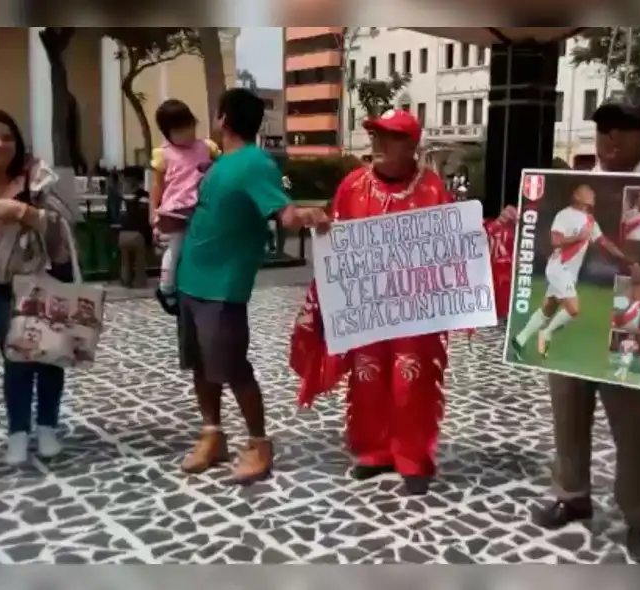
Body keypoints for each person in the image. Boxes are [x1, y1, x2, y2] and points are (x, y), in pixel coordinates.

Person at [496, 100, 640, 562]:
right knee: (567, 414)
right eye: (605, 129)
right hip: (577, 318)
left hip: (633, 319)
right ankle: (571, 494)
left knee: (635, 427)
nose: (612, 139)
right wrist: (520, 223)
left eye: (625, 130)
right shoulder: (570, 185)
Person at [289, 109, 468, 496]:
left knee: (412, 382)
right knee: (367, 378)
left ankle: (413, 457)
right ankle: (373, 452)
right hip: (366, 308)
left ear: (412, 146)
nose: (379, 145)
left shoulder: (433, 189)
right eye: (375, 136)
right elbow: (336, 247)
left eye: (391, 137)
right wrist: (324, 229)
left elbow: (455, 248)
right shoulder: (352, 187)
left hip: (415, 311)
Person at [175, 88, 329, 485]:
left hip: (223, 286)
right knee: (201, 366)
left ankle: (259, 443)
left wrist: (311, 215)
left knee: (233, 368)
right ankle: (213, 435)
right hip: (192, 279)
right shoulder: (221, 163)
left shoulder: (253, 163)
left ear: (224, 117)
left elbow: (285, 212)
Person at [0, 109, 74, 466]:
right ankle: (17, 431)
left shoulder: (36, 175)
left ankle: (46, 427)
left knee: (48, 356)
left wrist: (21, 211)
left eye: (8, 136)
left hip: (42, 278)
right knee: (16, 356)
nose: (0, 144)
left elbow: (63, 223)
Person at [509, 183, 640, 359]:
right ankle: (546, 333)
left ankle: (520, 340)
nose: (593, 195)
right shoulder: (564, 215)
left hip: (570, 273)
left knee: (547, 309)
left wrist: (626, 258)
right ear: (578, 196)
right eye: (589, 192)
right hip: (558, 267)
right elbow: (555, 241)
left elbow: (605, 243)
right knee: (573, 309)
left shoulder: (590, 221)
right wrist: (578, 237)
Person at [149, 99, 220, 314]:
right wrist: (153, 213)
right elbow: (157, 186)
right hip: (177, 210)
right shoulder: (164, 154)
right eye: (179, 131)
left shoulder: (206, 147)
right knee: (176, 247)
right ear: (167, 133)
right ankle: (166, 287)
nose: (187, 134)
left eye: (189, 126)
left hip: (201, 208)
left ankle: (200, 286)